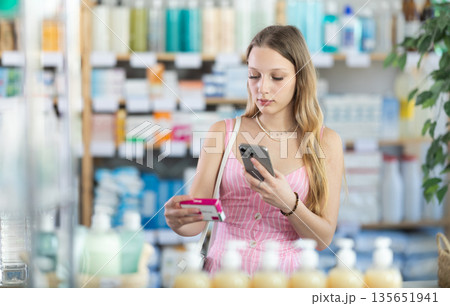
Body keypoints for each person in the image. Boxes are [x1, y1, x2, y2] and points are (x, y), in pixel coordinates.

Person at [164, 25, 344, 276]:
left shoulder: (325, 142)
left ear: (300, 78)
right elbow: (197, 222)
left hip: (285, 283)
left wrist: (289, 204)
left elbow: (322, 240)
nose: (263, 88)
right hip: (223, 279)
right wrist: (178, 220)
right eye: (254, 75)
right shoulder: (223, 133)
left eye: (277, 77)